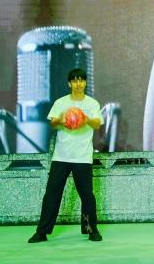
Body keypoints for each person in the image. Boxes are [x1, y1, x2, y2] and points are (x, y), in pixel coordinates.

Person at [28, 68, 104, 243]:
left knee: (87, 195)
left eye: (81, 80)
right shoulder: (61, 102)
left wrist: (84, 119)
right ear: (69, 83)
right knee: (52, 194)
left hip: (82, 157)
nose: (78, 84)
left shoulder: (92, 103)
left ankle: (91, 230)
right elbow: (53, 123)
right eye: (75, 81)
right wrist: (63, 120)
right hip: (61, 156)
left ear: (85, 83)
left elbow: (97, 124)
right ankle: (42, 232)